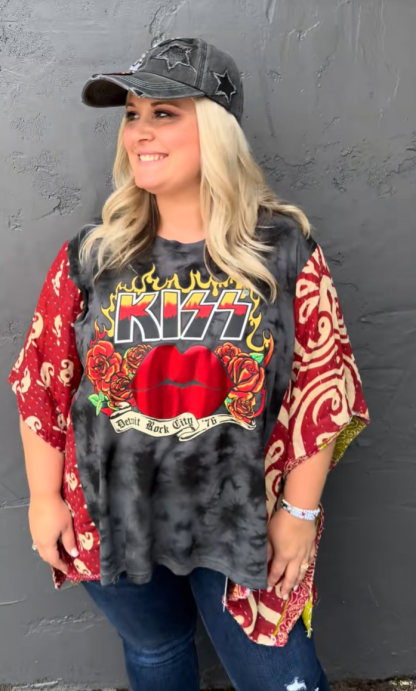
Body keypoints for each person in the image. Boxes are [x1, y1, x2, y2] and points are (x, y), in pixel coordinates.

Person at [9, 37, 369, 691]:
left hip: (241, 522)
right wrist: (43, 499)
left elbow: (324, 383)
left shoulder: (281, 251)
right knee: (156, 651)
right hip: (113, 516)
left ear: (216, 129)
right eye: (132, 115)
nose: (139, 132)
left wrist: (299, 513)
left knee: (282, 677)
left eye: (163, 113)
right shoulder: (92, 256)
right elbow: (42, 379)